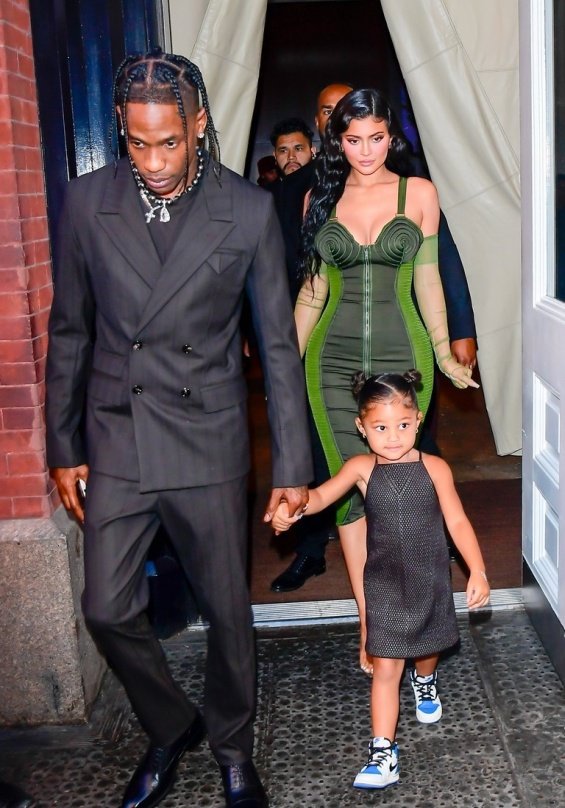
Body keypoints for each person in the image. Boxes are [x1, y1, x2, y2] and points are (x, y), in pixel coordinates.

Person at [45, 49, 313, 808]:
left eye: (170, 141)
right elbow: (70, 332)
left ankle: (232, 748)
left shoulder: (247, 210)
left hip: (208, 433)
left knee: (228, 612)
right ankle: (171, 725)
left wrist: (291, 465)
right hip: (118, 432)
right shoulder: (86, 202)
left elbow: (278, 349)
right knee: (106, 606)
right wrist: (63, 446)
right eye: (138, 142)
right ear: (120, 132)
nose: (155, 160)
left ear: (198, 125)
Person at [294, 88, 479, 672]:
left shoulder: (418, 193)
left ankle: (416, 616)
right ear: (337, 140)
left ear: (391, 137)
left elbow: (428, 281)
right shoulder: (318, 199)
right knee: (351, 494)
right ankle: (372, 622)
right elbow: (313, 291)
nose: (366, 150)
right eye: (352, 140)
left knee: (404, 492)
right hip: (331, 362)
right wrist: (283, 361)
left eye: (376, 137)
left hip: (406, 359)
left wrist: (447, 356)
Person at [272, 370, 490, 790]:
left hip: (429, 580)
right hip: (385, 585)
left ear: (419, 419)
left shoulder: (436, 468)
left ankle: (425, 679)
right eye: (381, 427)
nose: (393, 437)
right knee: (386, 669)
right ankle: (383, 752)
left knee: (429, 648)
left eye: (403, 425)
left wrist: (477, 568)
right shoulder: (360, 468)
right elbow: (318, 498)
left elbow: (458, 521)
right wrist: (292, 507)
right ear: (361, 427)